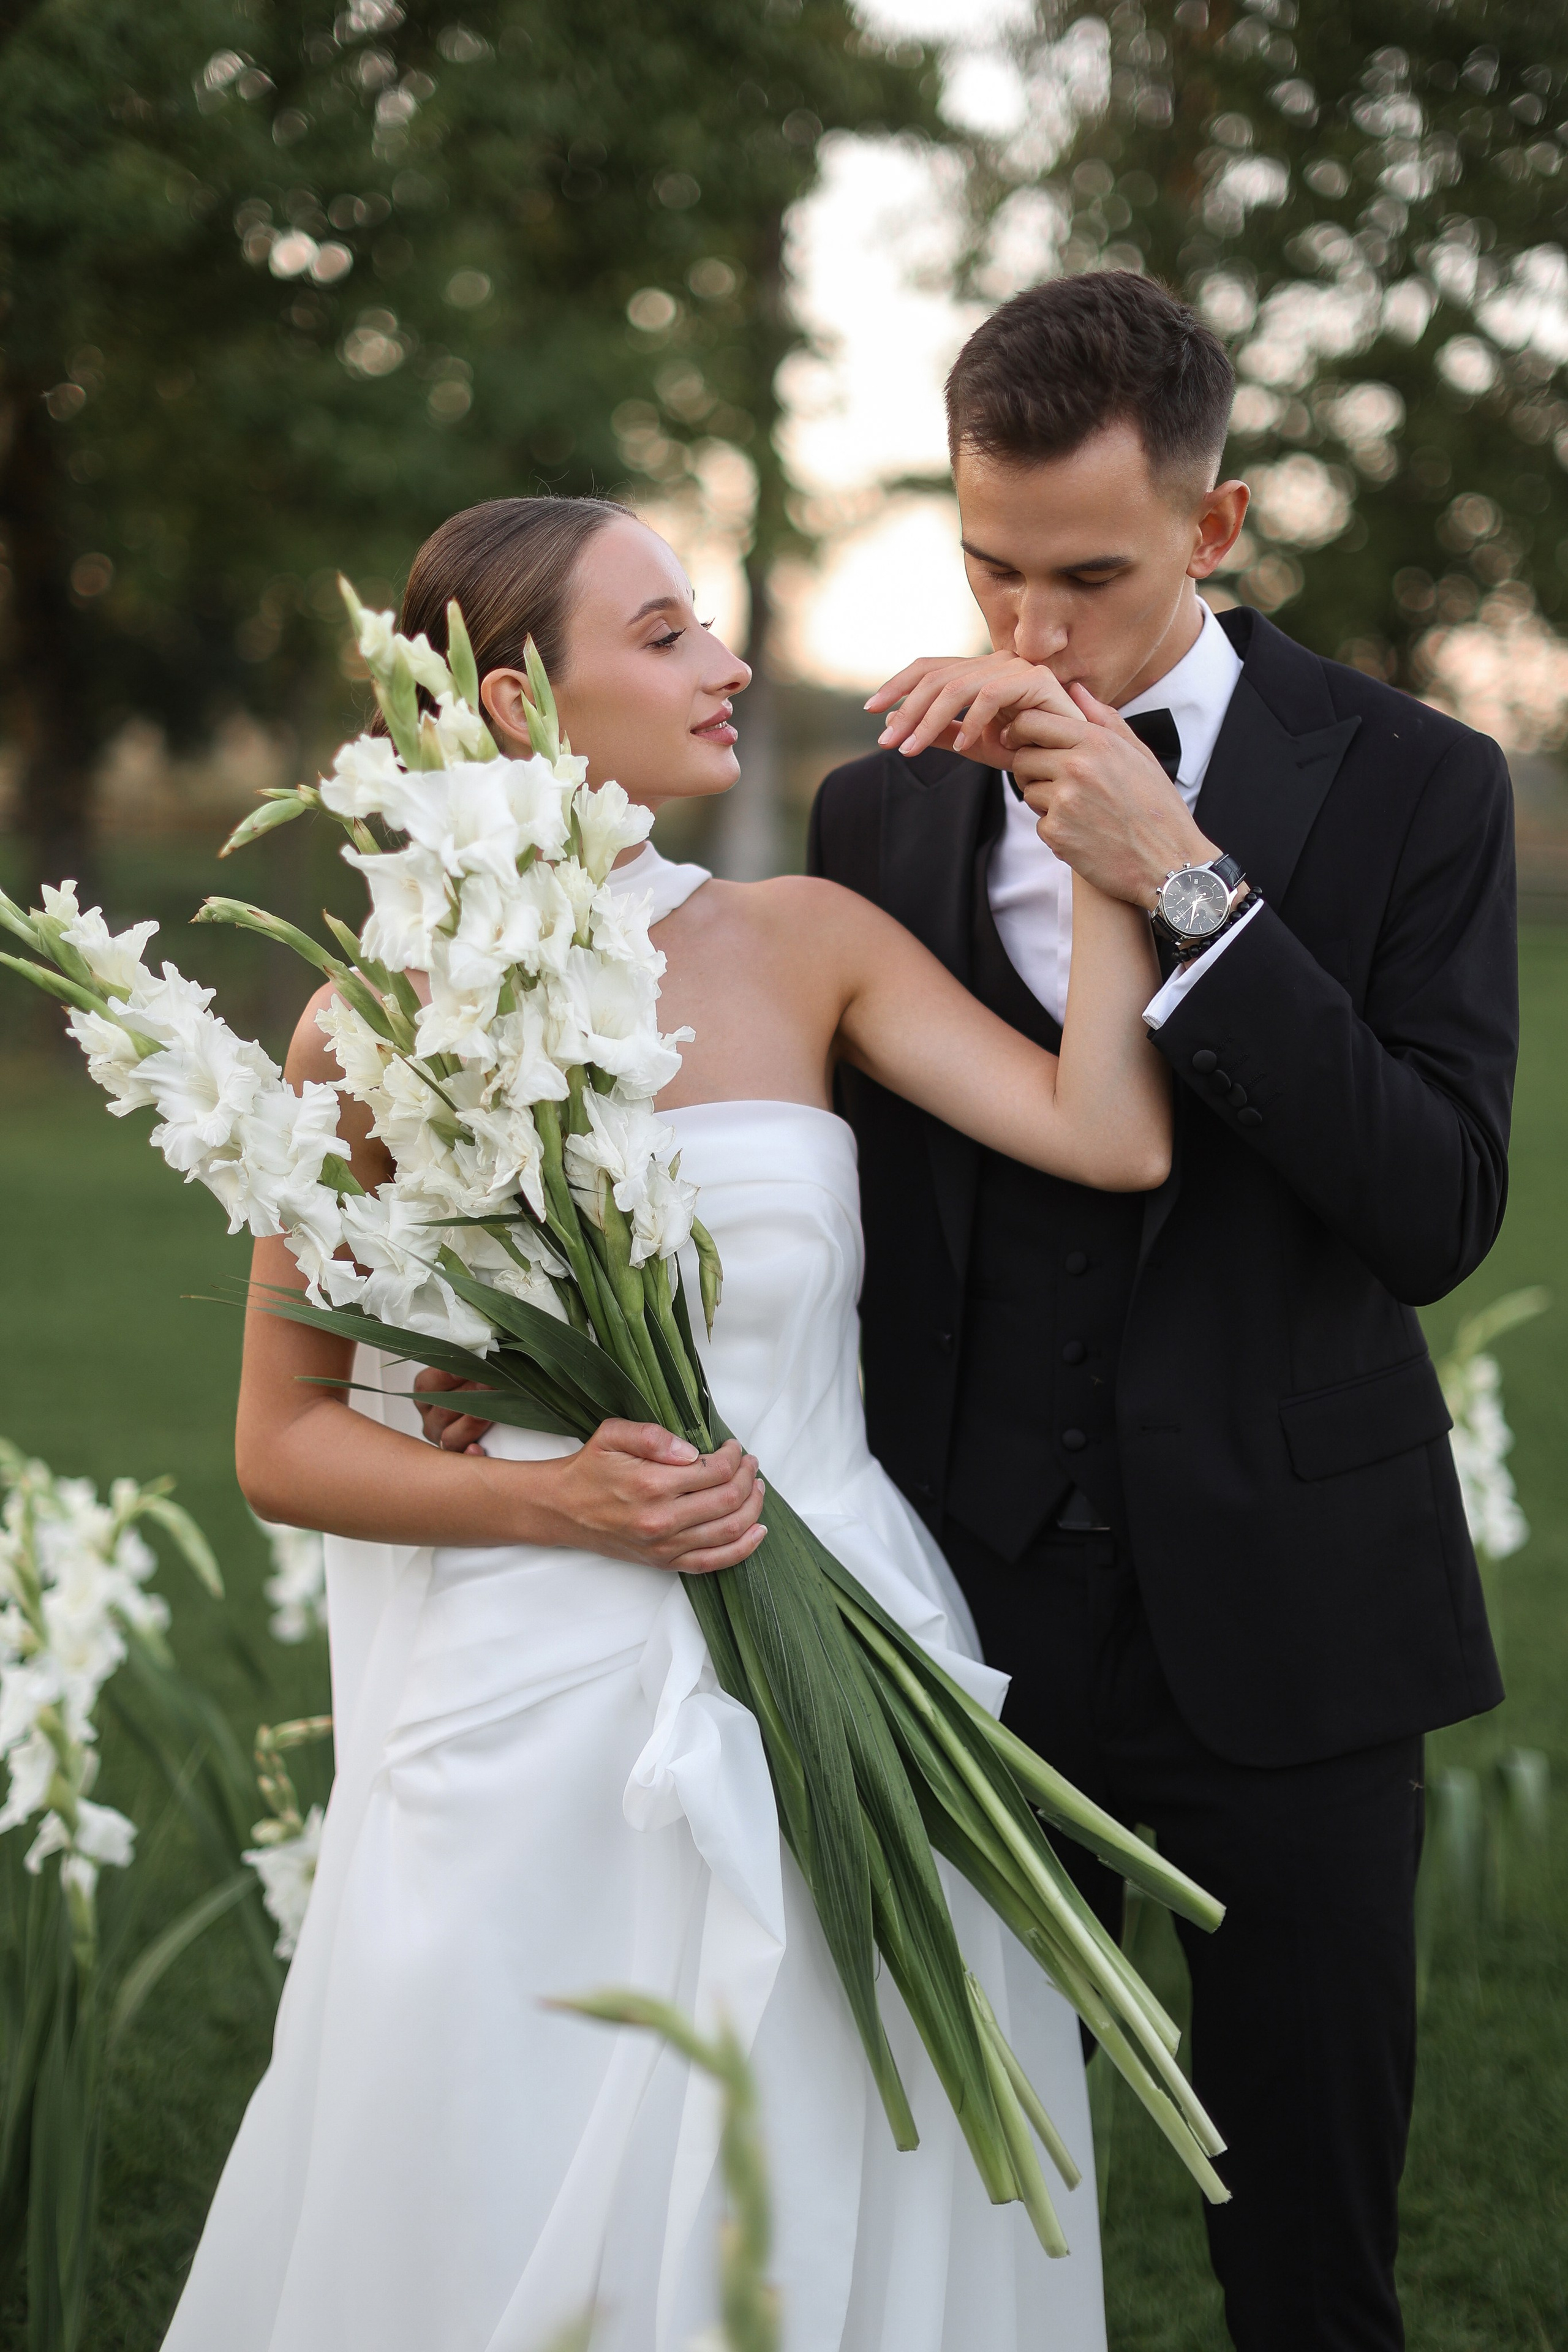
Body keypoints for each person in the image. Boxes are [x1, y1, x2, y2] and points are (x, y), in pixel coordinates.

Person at [163, 492, 1175, 2352]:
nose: (723, 664)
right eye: (664, 634)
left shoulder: (805, 940)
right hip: (537, 1716)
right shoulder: (363, 1029)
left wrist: (1100, 851)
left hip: (852, 1655)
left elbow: (1110, 1135)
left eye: (707, 623)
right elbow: (286, 1444)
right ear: (508, 701)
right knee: (518, 2197)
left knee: (840, 2165)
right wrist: (574, 1510)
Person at [807, 271, 1517, 2352]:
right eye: (987, 569)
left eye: (1092, 577)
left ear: (1216, 530)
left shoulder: (1417, 785)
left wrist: (1185, 879)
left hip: (1295, 1621)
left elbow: (1432, 1204)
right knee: (943, 2206)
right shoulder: (886, 803)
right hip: (964, 1620)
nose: (1030, 635)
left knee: (1307, 2239)